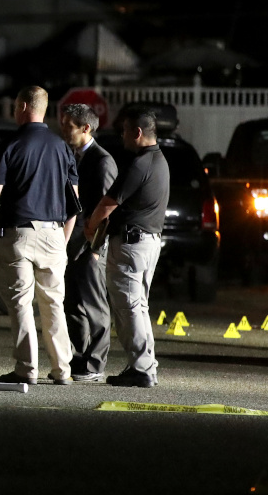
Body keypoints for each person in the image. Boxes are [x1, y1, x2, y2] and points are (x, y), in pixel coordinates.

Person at [0, 86, 78, 386]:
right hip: (53, 234)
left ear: (24, 106)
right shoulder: (62, 147)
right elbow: (74, 200)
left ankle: (27, 370)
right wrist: (62, 238)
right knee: (53, 304)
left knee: (21, 304)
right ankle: (63, 369)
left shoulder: (9, 145)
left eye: (15, 105)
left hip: (18, 235)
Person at [84, 107, 170, 388]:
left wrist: (90, 226)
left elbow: (109, 202)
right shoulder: (159, 161)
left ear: (137, 132)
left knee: (128, 307)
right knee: (138, 306)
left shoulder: (140, 164)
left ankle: (142, 369)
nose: (121, 136)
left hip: (132, 244)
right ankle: (145, 364)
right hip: (148, 243)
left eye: (124, 131)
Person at [60, 103, 118, 383]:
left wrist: (97, 249)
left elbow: (107, 208)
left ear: (86, 128)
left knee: (94, 305)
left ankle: (95, 363)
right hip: (71, 243)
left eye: (68, 126)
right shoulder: (72, 155)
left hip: (90, 245)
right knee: (72, 302)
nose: (63, 130)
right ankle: (78, 358)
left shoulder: (102, 160)